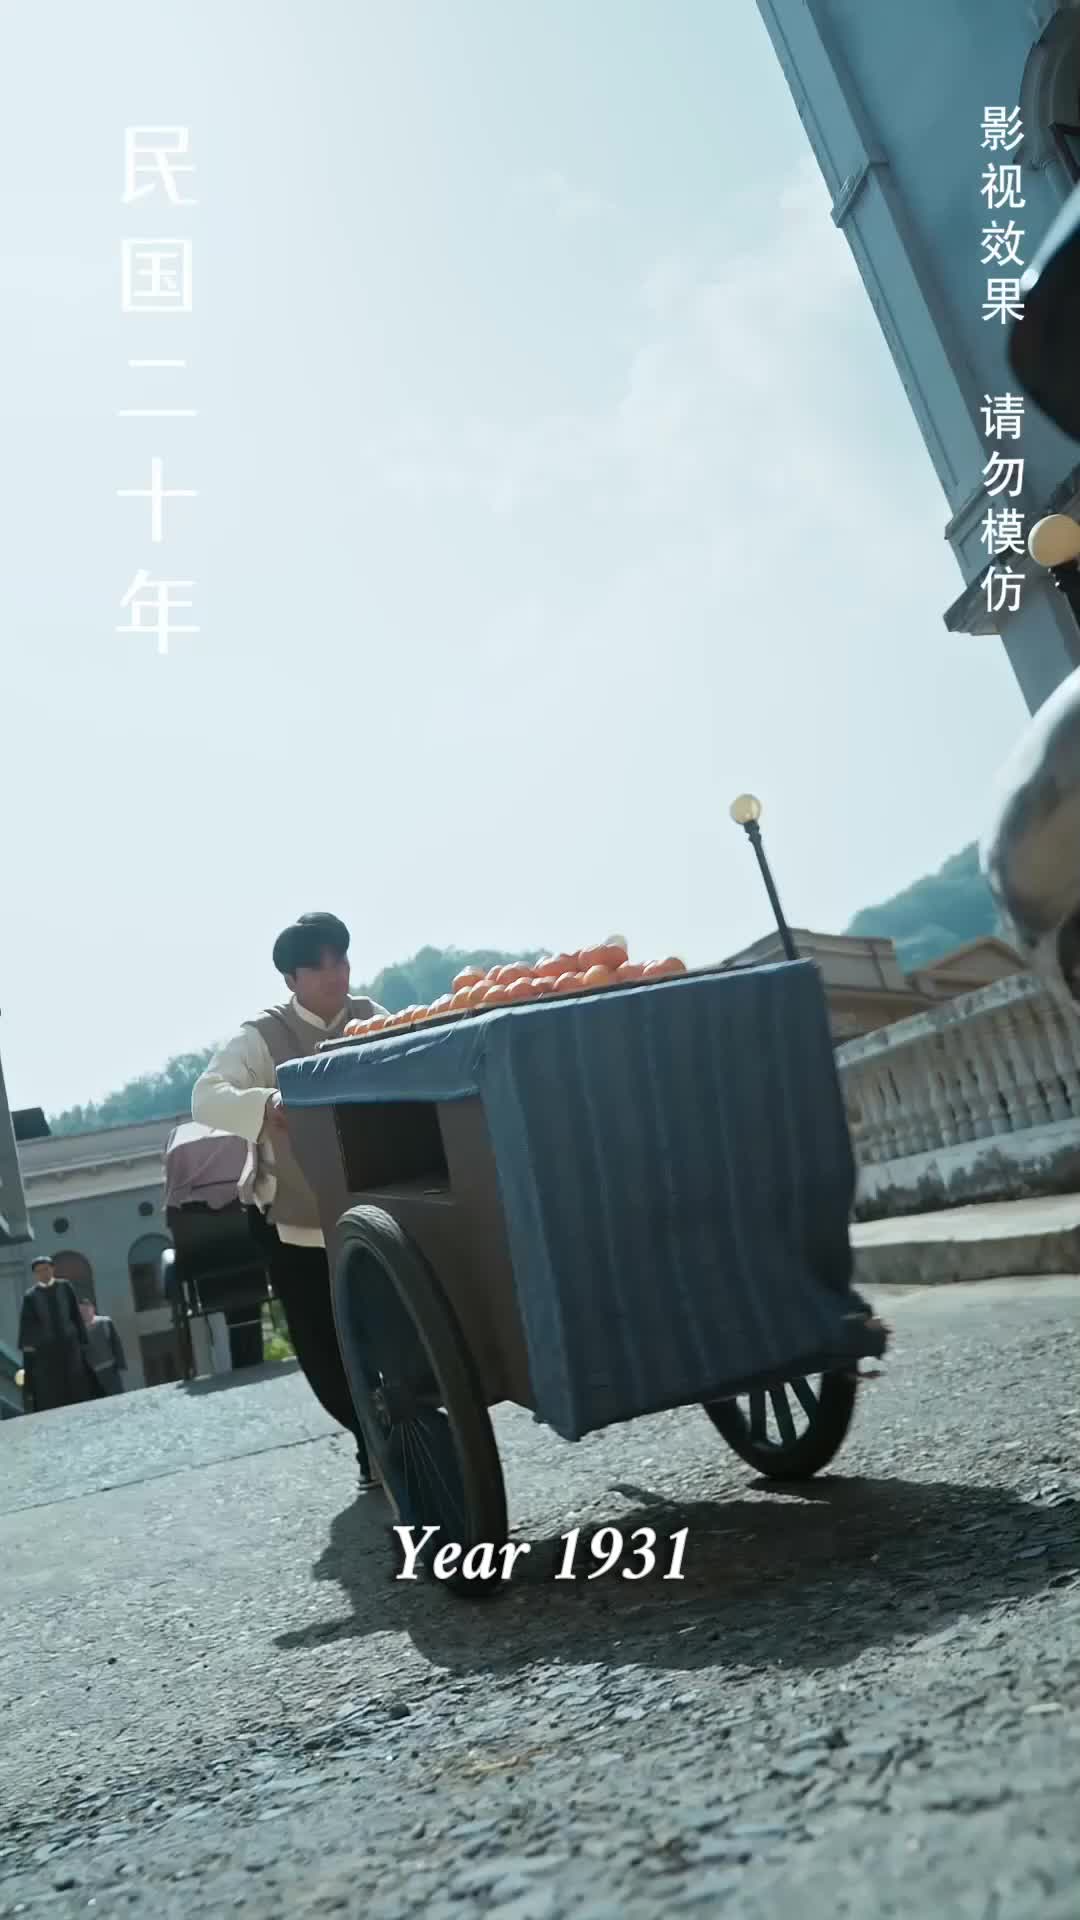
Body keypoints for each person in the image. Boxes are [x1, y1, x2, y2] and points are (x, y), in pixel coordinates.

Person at [191, 912, 386, 1485]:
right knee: (323, 1347)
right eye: (318, 967)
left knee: (384, 1328)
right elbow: (206, 1096)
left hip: (374, 1208)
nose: (335, 974)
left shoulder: (374, 1017)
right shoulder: (262, 1036)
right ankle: (369, 1441)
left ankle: (401, 1430)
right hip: (296, 1223)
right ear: (291, 980)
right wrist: (266, 1103)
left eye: (341, 960)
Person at [18, 1257, 98, 1413]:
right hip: (47, 1348)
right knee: (53, 1383)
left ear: (52, 1269)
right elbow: (27, 1324)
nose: (43, 1273)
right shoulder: (31, 1296)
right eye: (39, 1271)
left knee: (76, 1376)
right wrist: (30, 1346)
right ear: (35, 1274)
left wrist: (82, 1340)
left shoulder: (65, 1287)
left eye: (46, 1269)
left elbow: (75, 1314)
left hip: (70, 1343)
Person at [79, 1299, 128, 1395]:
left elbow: (116, 1344)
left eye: (85, 1309)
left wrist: (121, 1364)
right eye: (81, 1311)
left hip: (110, 1368)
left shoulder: (105, 1321)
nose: (84, 1313)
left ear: (92, 1308)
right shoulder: (78, 1330)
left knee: (117, 1396)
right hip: (93, 1372)